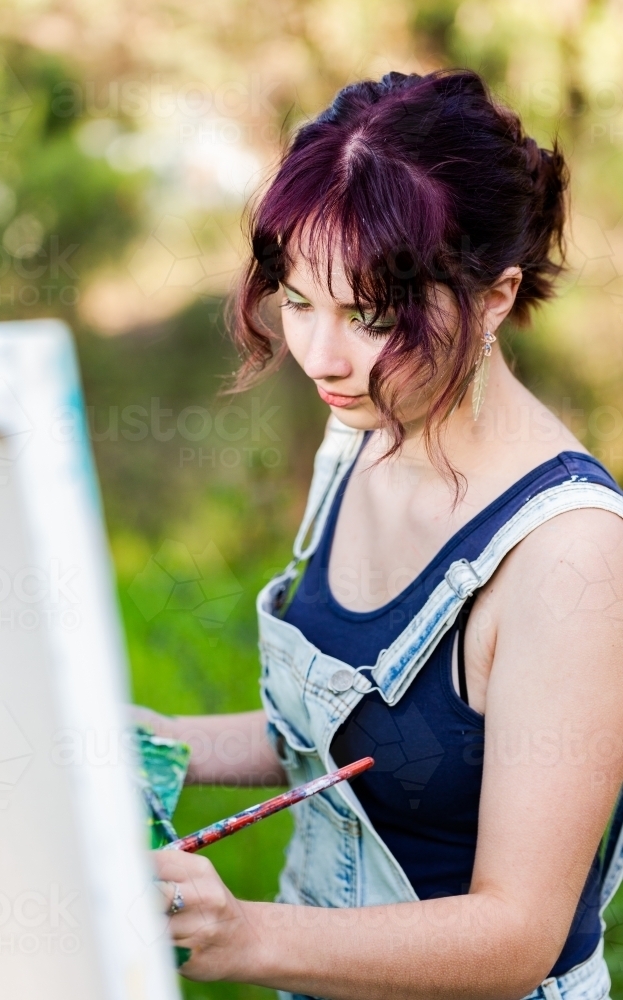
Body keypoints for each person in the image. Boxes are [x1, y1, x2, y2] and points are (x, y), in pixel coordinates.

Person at [138, 69, 623, 999]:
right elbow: (359, 741)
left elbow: (516, 934)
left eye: (370, 317)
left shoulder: (565, 556)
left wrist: (240, 936)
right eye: (297, 299)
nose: (320, 357)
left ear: (492, 298)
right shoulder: (361, 430)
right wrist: (159, 742)